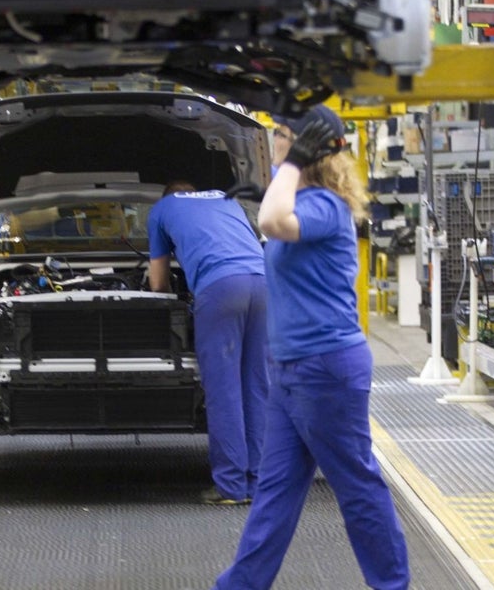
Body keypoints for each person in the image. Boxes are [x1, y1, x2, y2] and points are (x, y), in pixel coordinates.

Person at [212, 106, 409, 590]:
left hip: (325, 369)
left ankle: (392, 584)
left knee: (357, 486)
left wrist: (291, 168)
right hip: (291, 371)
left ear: (304, 149)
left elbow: (273, 223)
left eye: (281, 136)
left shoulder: (324, 206)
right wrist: (282, 178)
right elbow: (272, 218)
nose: (274, 143)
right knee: (275, 492)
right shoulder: (302, 200)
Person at [147, 181, 268, 505]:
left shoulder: (162, 209)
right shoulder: (228, 199)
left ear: (168, 194)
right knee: (257, 387)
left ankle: (230, 487)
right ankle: (258, 485)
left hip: (221, 290)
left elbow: (158, 282)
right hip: (264, 285)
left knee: (224, 390)